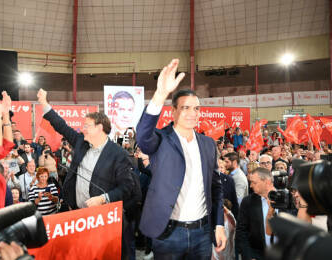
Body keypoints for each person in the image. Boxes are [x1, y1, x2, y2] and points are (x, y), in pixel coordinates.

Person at [136, 59, 226, 259]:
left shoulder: (208, 144)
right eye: (185, 108)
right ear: (173, 111)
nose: (192, 113)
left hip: (203, 233)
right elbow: (142, 137)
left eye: (196, 108)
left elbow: (216, 188)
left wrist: (219, 224)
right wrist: (160, 94)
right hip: (168, 234)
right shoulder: (161, 139)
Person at [37, 88, 137, 259]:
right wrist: (44, 104)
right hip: (77, 214)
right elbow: (62, 126)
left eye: (87, 126)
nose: (83, 129)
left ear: (100, 128)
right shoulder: (81, 143)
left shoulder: (118, 154)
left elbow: (127, 187)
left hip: (102, 219)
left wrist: (103, 198)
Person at [236, 167, 276, 260]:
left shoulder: (287, 199)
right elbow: (241, 231)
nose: (250, 186)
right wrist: (249, 256)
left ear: (267, 182)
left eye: (254, 182)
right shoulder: (248, 201)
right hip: (257, 255)